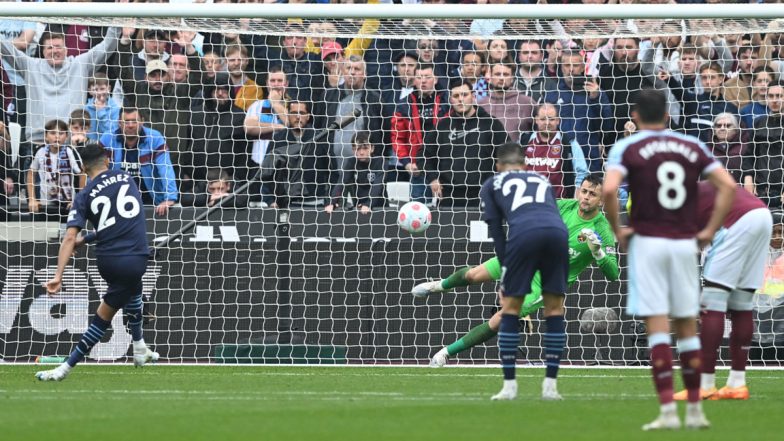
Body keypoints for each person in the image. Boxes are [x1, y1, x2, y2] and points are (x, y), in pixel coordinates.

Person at [603, 89, 736, 431]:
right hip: (682, 243)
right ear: (667, 115)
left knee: (658, 329)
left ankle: (666, 412)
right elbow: (728, 186)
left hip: (648, 242)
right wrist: (708, 230)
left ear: (635, 115)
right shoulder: (691, 145)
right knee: (687, 328)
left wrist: (620, 232)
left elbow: (608, 190)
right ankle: (694, 410)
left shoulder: (627, 146)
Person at [417, 175, 619, 368]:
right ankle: (438, 286)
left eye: (592, 194)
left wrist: (598, 252)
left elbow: (614, 275)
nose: (585, 196)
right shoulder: (563, 206)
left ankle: (445, 353)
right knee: (473, 274)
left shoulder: (602, 229)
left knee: (501, 319)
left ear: (602, 201)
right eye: (584, 191)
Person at [35, 143, 159, 381]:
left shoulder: (84, 195)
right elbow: (123, 220)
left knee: (134, 290)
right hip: (135, 257)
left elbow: (70, 237)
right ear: (108, 161)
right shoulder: (127, 179)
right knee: (103, 317)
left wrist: (59, 274)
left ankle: (140, 346)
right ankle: (64, 369)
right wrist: (89, 239)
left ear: (82, 167)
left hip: (110, 261)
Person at [478, 142, 569, 401]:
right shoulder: (541, 180)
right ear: (525, 164)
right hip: (557, 234)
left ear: (498, 166)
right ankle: (550, 387)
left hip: (524, 235)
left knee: (510, 307)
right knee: (554, 310)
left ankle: (509, 387)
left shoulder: (492, 184)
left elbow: (496, 232)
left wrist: (505, 268)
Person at [671, 183, 771, 401]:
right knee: (742, 303)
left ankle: (705, 385)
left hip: (740, 221)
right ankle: (736, 384)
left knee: (712, 300)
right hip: (763, 215)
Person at [99, 107, 179, 216]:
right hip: (115, 202)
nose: (131, 125)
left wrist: (170, 198)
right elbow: (96, 170)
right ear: (119, 123)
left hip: (150, 202)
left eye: (134, 121)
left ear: (142, 121)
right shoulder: (107, 139)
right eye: (126, 121)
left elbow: (166, 169)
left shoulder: (155, 138)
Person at [26, 119, 84, 216]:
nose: (57, 136)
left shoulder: (70, 151)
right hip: (45, 203)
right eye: (53, 133)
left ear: (66, 136)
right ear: (46, 135)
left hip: (69, 204)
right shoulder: (40, 151)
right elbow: (31, 173)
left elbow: (82, 174)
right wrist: (32, 199)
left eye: (61, 133)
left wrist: (79, 200)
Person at [325, 131, 385, 214]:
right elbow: (341, 182)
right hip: (359, 207)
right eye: (358, 148)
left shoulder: (381, 161)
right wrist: (332, 202)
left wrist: (369, 204)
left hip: (379, 207)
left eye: (365, 148)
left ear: (372, 148)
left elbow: (377, 186)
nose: (361, 152)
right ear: (353, 150)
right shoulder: (352, 162)